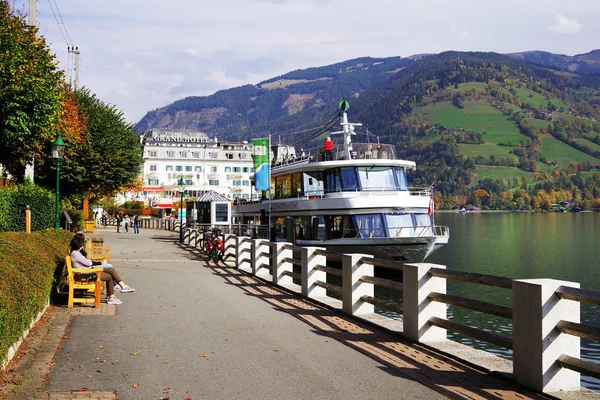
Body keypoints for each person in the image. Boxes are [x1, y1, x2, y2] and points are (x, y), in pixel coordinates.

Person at [69, 234, 135, 305]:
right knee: (109, 275)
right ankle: (113, 295)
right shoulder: (75, 254)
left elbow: (86, 262)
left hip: (86, 272)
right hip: (85, 274)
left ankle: (120, 289)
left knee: (110, 270)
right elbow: (88, 263)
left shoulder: (75, 253)